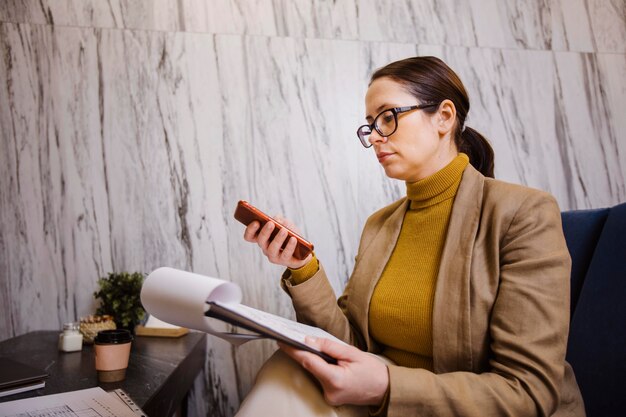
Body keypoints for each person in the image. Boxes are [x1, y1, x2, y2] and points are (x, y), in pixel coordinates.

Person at [236, 56, 585, 417]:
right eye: (370, 124)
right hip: (384, 407)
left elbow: (527, 392)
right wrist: (303, 267)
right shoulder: (380, 224)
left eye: (388, 117)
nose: (373, 136)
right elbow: (354, 345)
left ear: (444, 117)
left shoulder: (524, 213)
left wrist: (387, 385)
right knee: (288, 366)